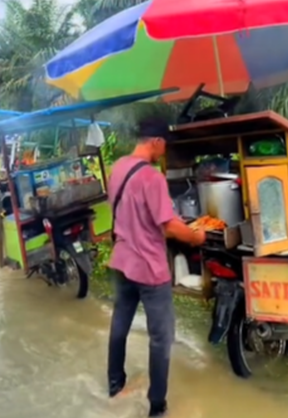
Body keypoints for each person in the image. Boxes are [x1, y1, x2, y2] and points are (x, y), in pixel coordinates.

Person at [107, 117, 206, 417]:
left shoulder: (118, 168)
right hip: (149, 268)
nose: (165, 152)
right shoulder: (152, 178)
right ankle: (157, 406)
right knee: (162, 337)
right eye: (165, 145)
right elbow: (169, 226)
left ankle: (115, 387)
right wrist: (196, 235)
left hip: (122, 261)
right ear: (156, 141)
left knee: (119, 324)